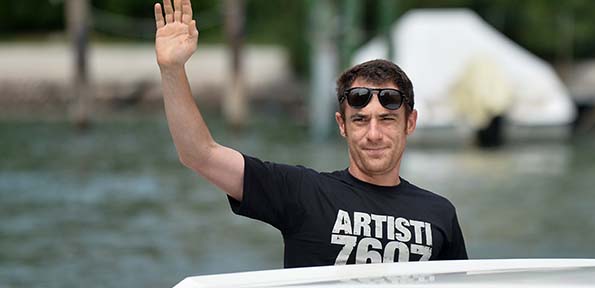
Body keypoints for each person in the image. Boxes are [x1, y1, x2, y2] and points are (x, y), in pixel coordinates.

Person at [154, 0, 467, 268]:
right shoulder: (302, 193)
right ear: (341, 125)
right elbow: (199, 154)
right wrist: (172, 69)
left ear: (409, 123)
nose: (373, 134)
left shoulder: (440, 213)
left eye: (386, 120)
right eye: (360, 120)